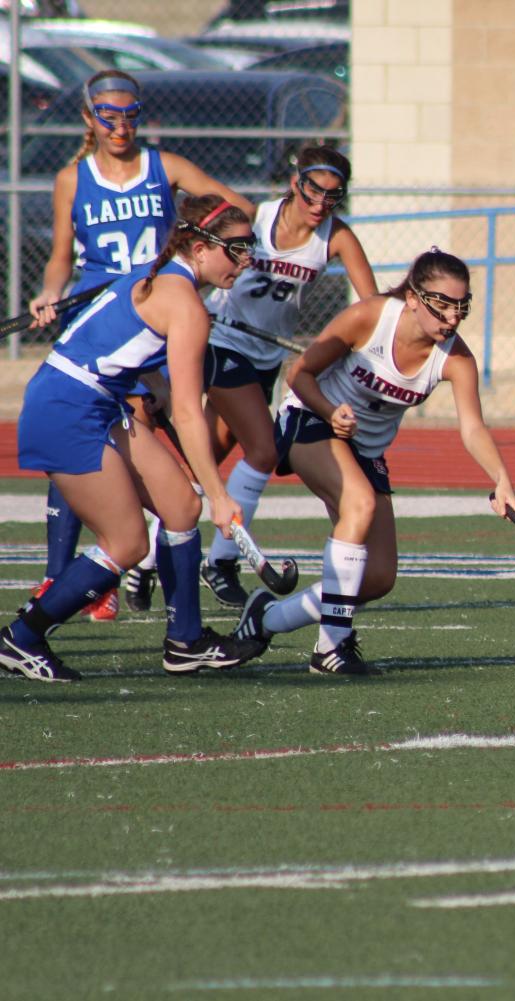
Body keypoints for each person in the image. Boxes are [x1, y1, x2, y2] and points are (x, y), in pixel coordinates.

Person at [0, 196, 267, 683]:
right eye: (236, 248)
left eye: (250, 248)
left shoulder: (159, 272)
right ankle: (22, 637)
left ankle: (185, 642)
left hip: (98, 402)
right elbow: (189, 413)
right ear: (199, 245)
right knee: (125, 543)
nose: (245, 260)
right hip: (68, 407)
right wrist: (223, 495)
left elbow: (135, 351)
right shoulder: (187, 306)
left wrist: (160, 390)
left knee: (181, 507)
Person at [27, 69, 254, 623]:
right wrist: (51, 294)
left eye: (130, 113)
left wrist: (220, 240)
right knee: (120, 510)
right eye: (109, 115)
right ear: (89, 118)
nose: (121, 125)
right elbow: (60, 255)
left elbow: (235, 207)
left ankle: (184, 635)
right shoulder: (74, 178)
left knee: (179, 502)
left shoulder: (163, 169)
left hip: (144, 315)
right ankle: (64, 585)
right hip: (106, 330)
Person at [233, 249, 515, 676]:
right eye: (442, 304)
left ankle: (267, 618)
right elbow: (299, 374)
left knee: (377, 578)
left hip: (365, 450)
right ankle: (331, 647)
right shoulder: (371, 318)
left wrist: (502, 478)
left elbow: (472, 428)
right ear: (414, 297)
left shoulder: (456, 360)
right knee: (359, 504)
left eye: (461, 306)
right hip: (311, 419)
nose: (452, 317)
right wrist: (331, 411)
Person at [122, 145, 378, 613]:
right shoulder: (254, 217)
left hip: (265, 358)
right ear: (296, 181)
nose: (320, 202)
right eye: (313, 189)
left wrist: (351, 344)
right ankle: (221, 563)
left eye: (333, 195)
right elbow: (197, 235)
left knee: (209, 459)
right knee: (263, 448)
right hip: (221, 341)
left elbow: (371, 306)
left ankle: (146, 560)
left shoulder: (336, 237)